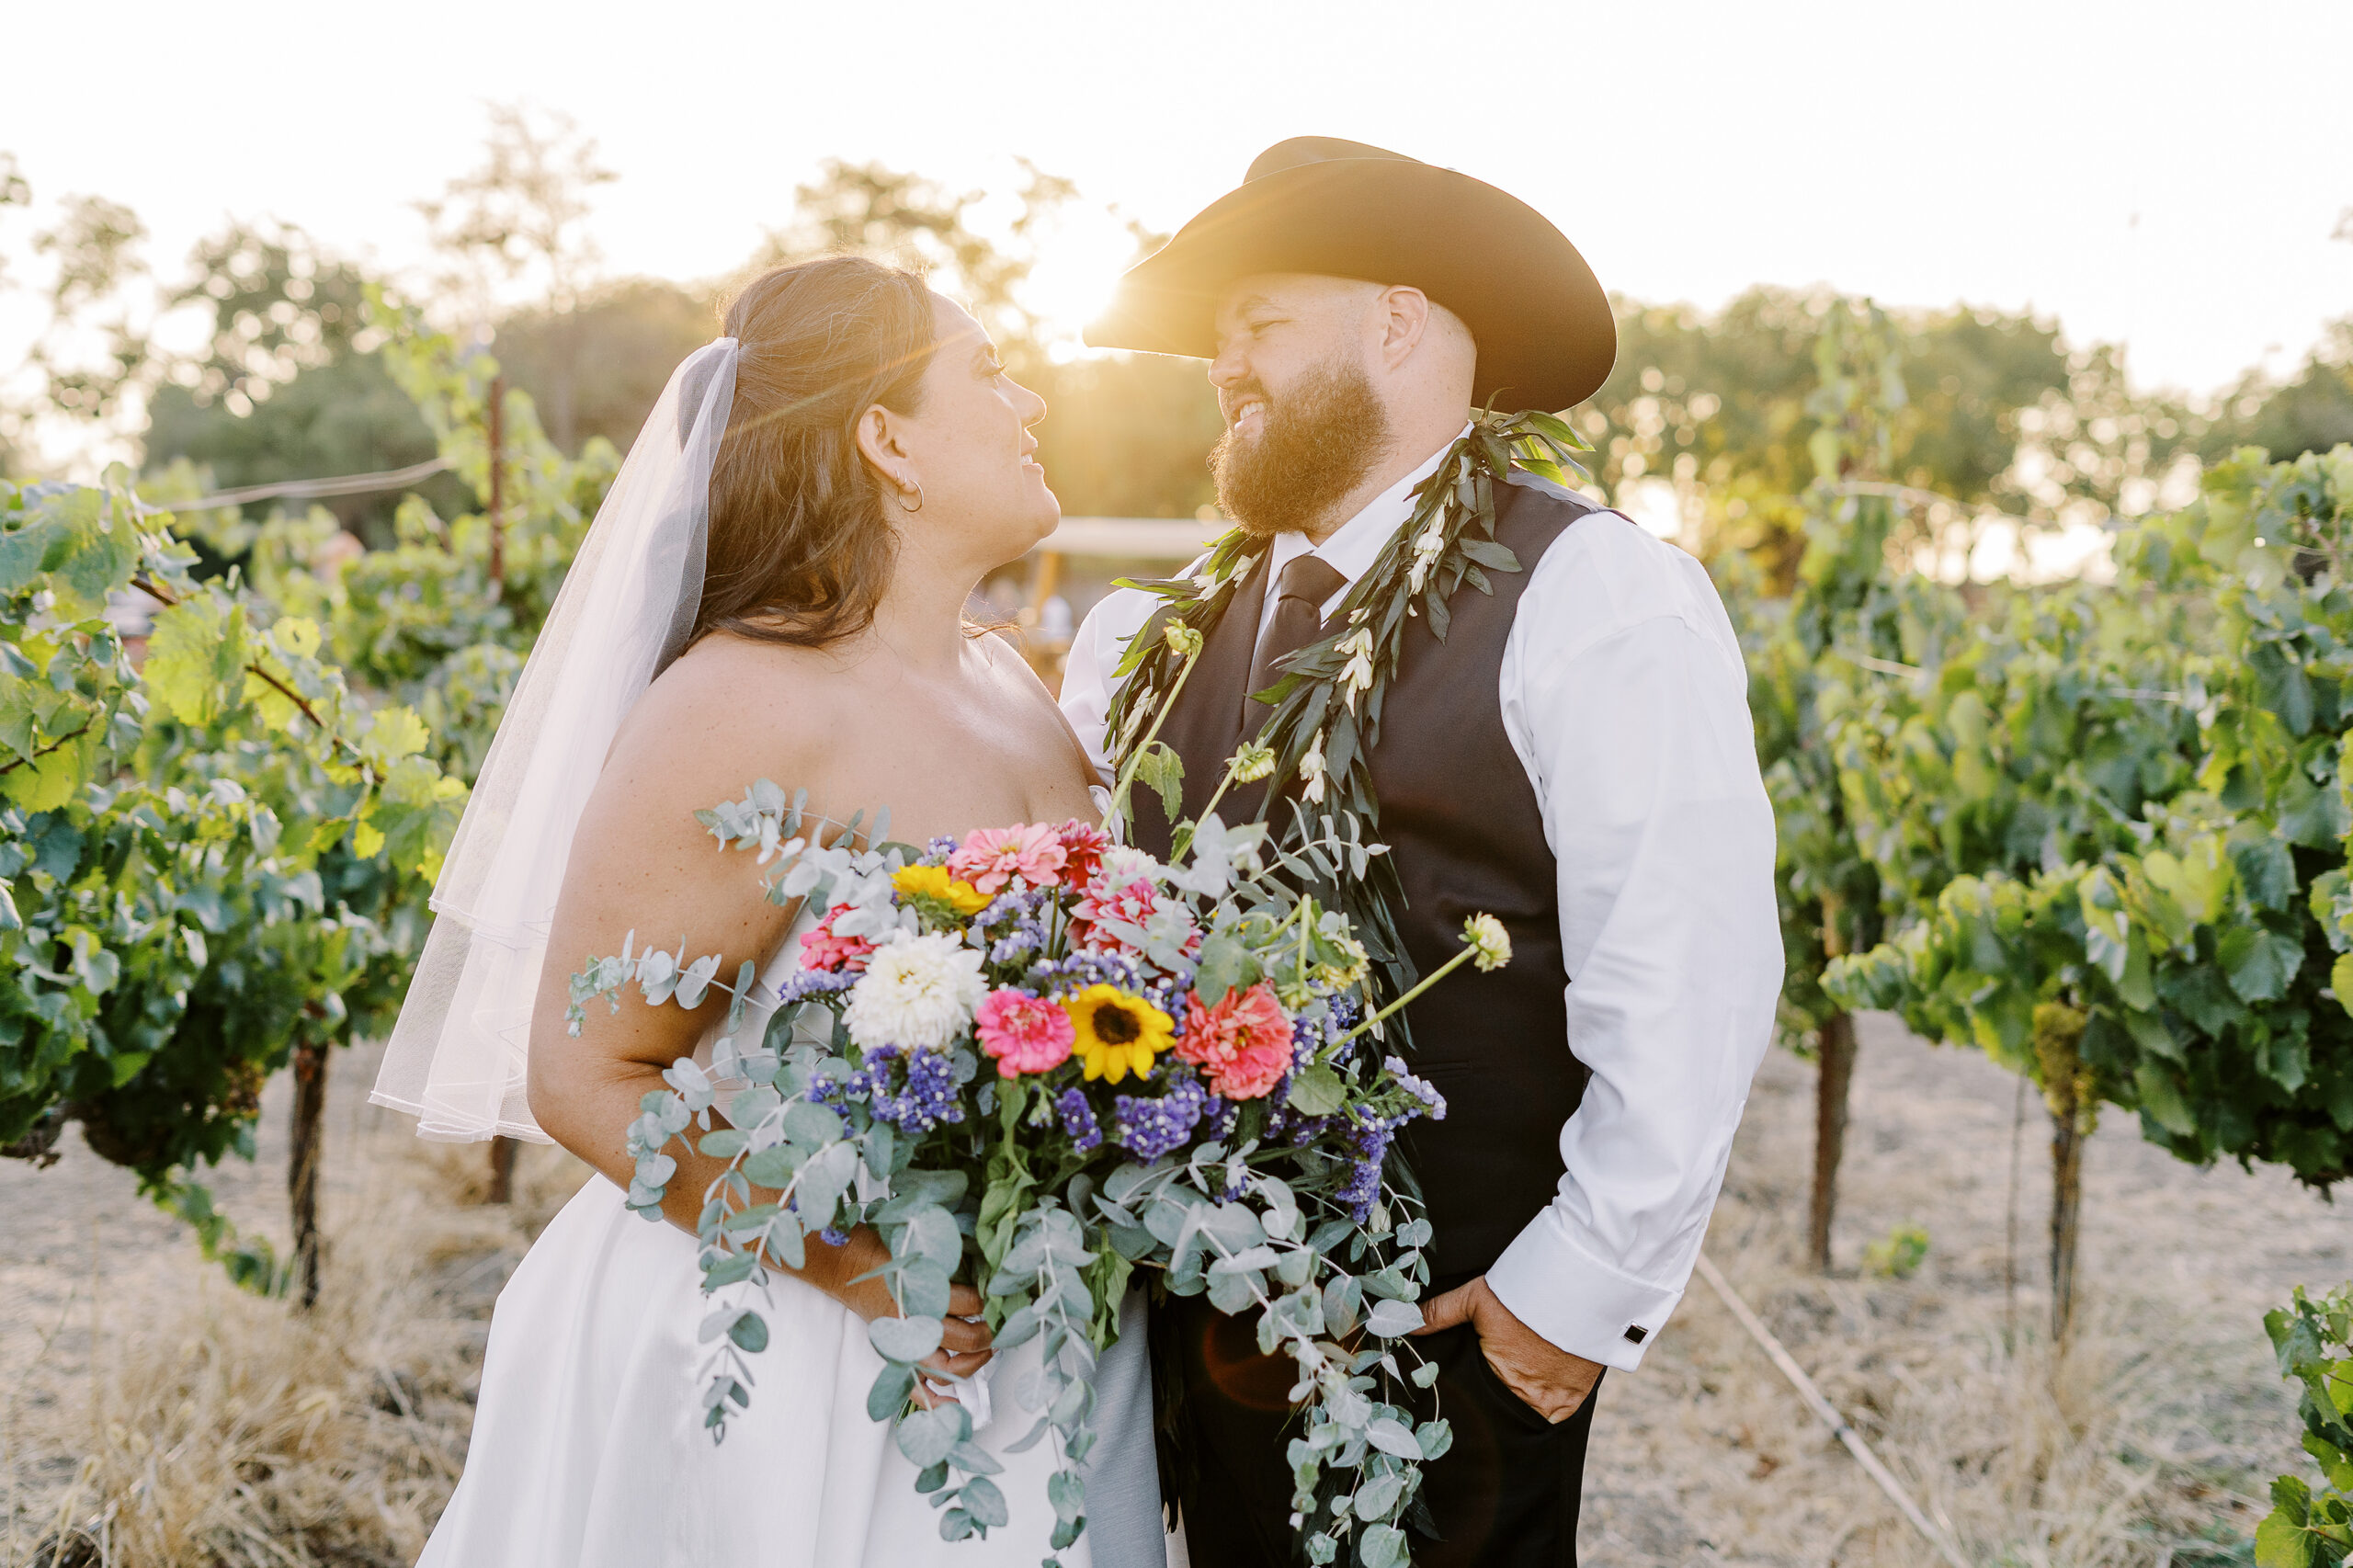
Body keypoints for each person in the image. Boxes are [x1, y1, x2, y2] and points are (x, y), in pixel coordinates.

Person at [371, 256, 1165, 1567]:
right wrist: (863, 1264)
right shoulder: (746, 702)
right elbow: (585, 1072)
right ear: (885, 438)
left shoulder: (1008, 680)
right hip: (803, 1347)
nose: (1029, 403)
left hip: (1043, 1346)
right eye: (988, 372)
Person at [1061, 139, 1784, 1566]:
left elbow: (1687, 972)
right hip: (1185, 1354)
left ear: (1397, 320)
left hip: (1453, 1364)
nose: (1227, 368)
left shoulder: (1594, 591)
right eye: (1219, 343)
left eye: (1258, 326)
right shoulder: (1160, 635)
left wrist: (1570, 1295)